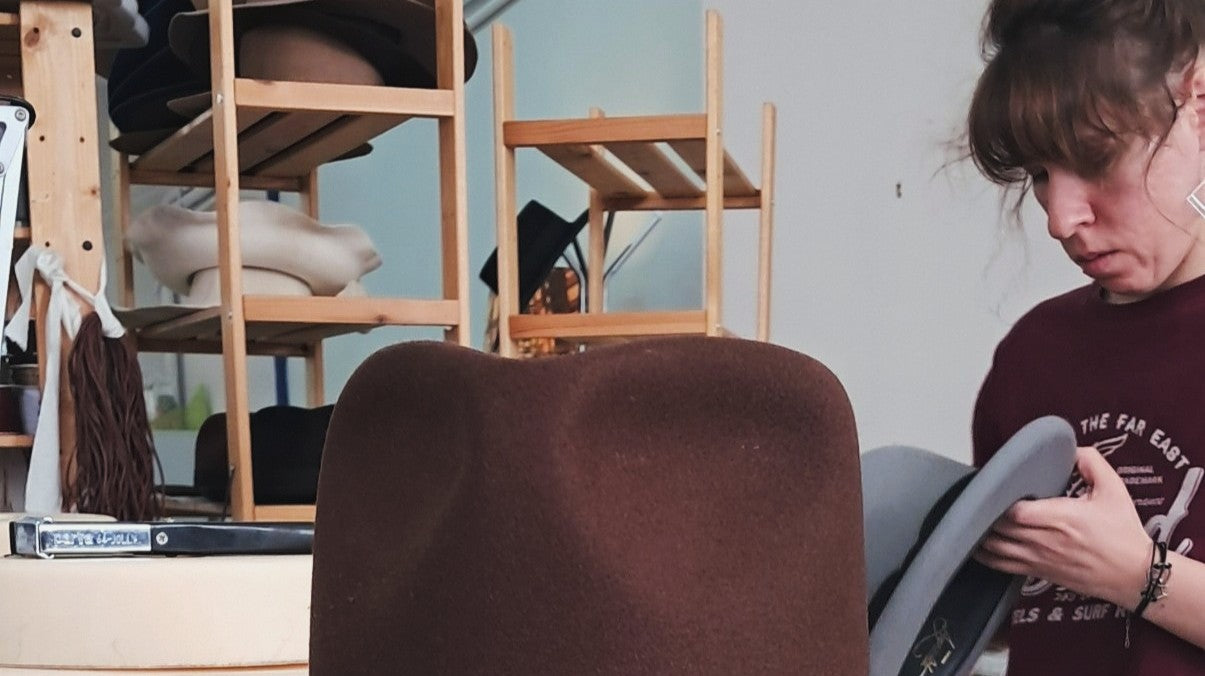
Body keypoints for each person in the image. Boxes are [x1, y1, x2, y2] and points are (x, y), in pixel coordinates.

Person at [966, 0, 1205, 674]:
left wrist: (1139, 573)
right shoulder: (1031, 354)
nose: (1060, 218)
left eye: (1094, 158)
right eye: (1040, 174)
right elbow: (1025, 619)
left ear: (1197, 109)